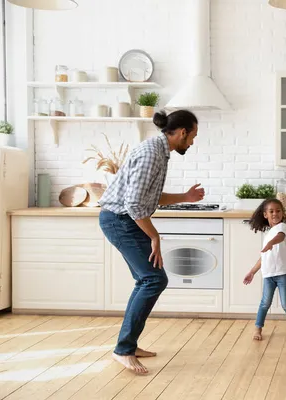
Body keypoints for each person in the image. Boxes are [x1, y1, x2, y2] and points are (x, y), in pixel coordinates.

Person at [98, 109, 204, 374]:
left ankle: (128, 345)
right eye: (192, 137)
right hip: (120, 221)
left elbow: (148, 196)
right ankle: (123, 350)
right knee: (154, 280)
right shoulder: (151, 154)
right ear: (182, 132)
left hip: (124, 220)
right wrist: (154, 236)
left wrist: (185, 197)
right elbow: (133, 204)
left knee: (148, 280)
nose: (191, 142)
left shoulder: (159, 151)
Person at [242, 198, 286, 341]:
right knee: (265, 303)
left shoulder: (282, 228)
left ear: (282, 213)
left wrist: (271, 242)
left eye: (278, 210)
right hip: (268, 275)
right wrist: (252, 272)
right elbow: (263, 258)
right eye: (271, 211)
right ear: (265, 215)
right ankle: (258, 328)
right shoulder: (268, 234)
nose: (275, 213)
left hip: (283, 274)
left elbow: (280, 237)